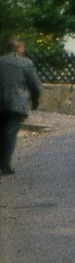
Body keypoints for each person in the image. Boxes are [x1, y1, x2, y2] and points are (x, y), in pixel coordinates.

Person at [0, 35, 44, 176]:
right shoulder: (26, 63)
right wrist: (35, 102)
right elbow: (35, 86)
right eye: (23, 48)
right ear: (18, 48)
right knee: (10, 132)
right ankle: (5, 166)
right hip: (16, 104)